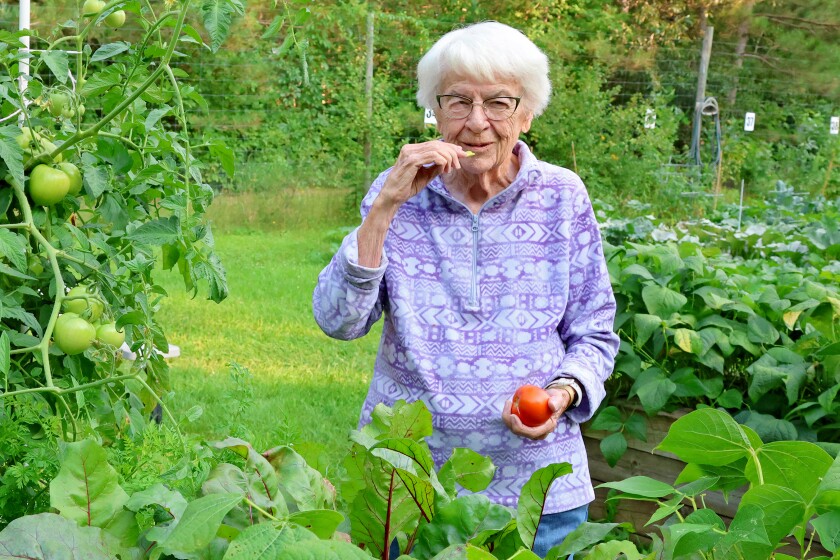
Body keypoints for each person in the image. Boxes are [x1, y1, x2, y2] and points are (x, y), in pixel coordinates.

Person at [313, 21, 619, 557]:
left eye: (498, 103)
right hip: (410, 489)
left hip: (537, 496)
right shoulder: (397, 193)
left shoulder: (562, 197)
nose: (477, 122)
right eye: (458, 101)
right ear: (435, 110)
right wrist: (384, 208)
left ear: (527, 111)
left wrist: (562, 393)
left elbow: (594, 333)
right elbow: (338, 321)